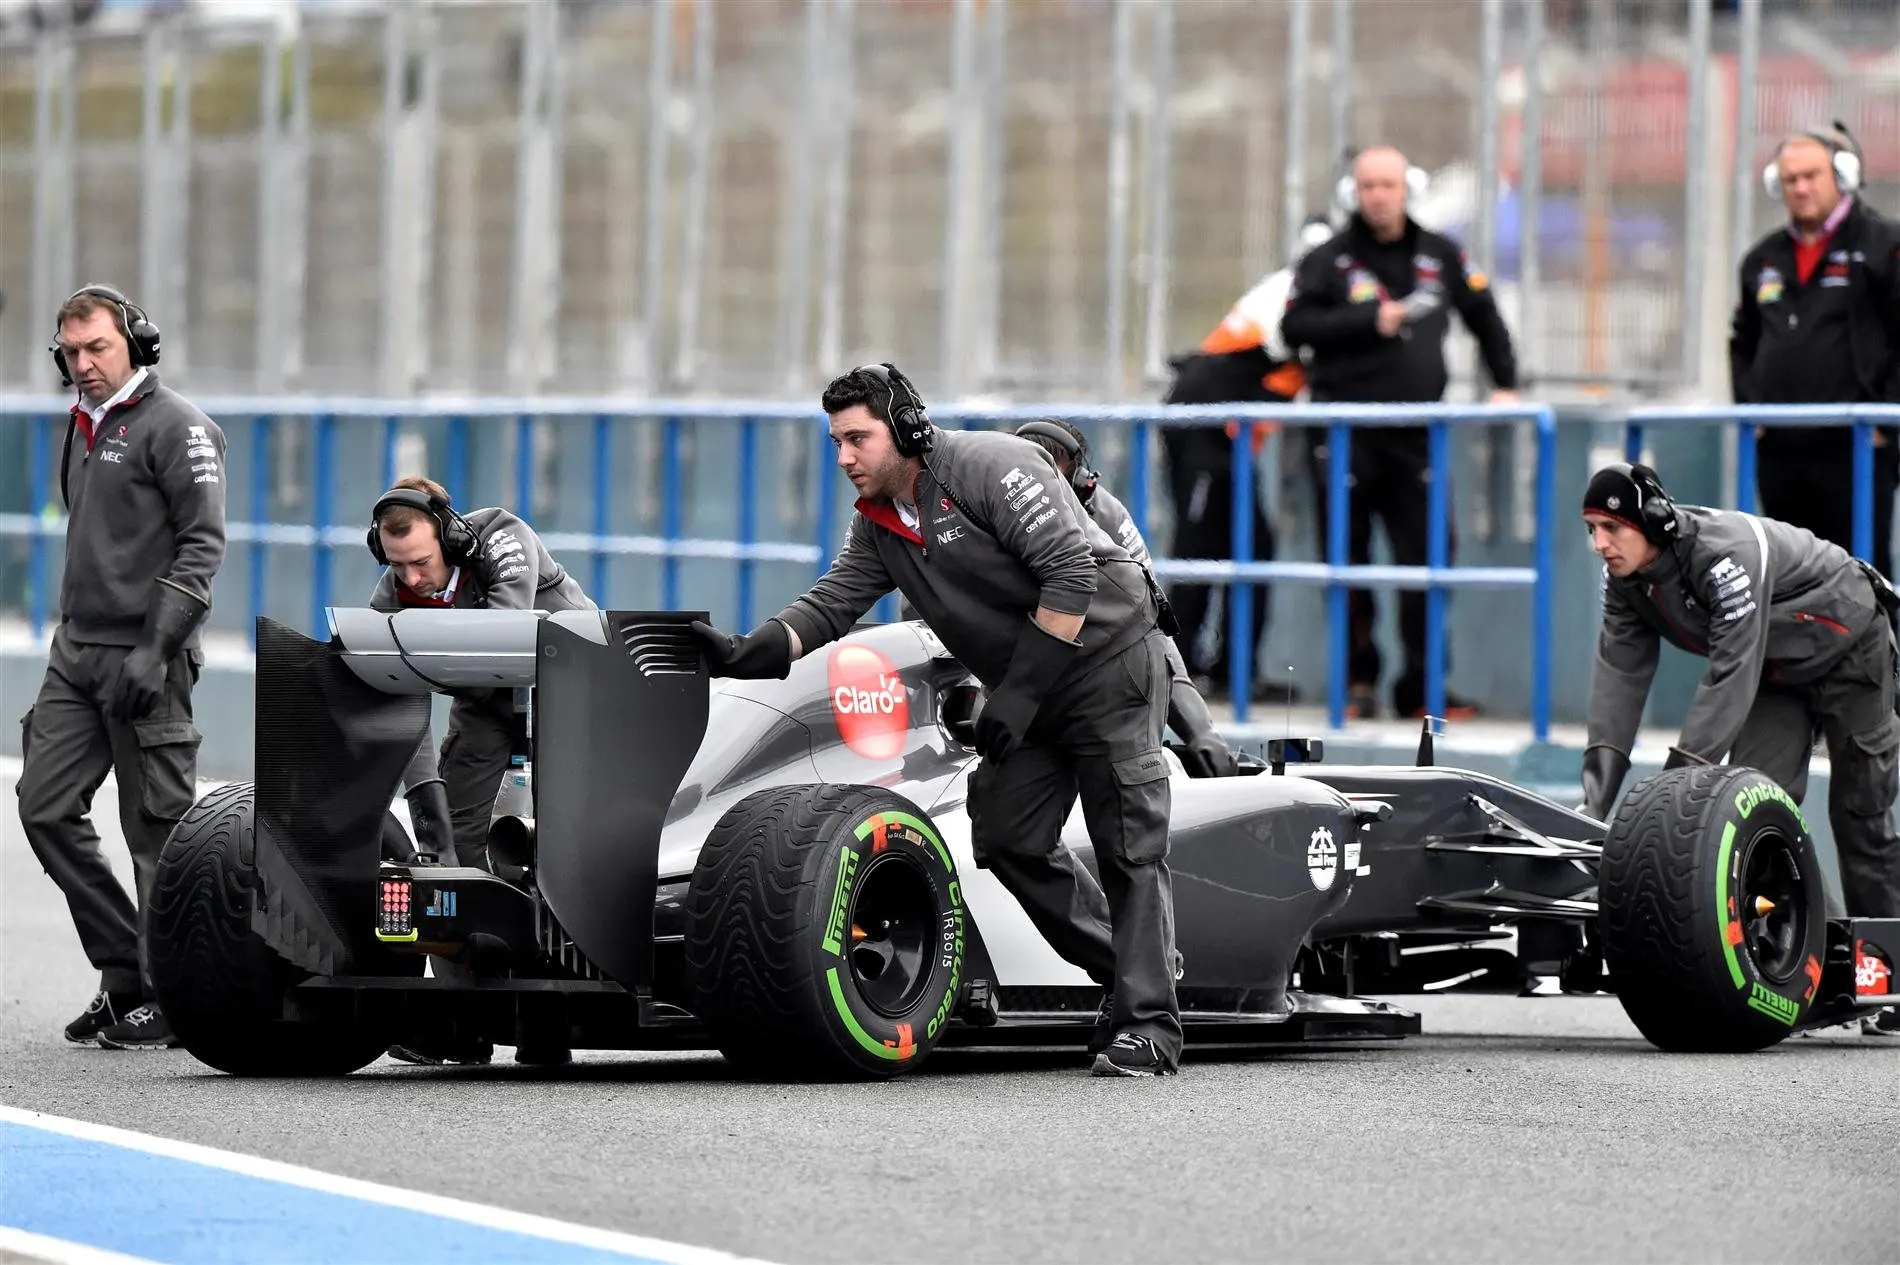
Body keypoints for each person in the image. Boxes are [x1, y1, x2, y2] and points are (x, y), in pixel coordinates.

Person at [691, 363, 1184, 1077]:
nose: (844, 458)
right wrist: (745, 652)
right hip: (1033, 682)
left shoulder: (994, 464)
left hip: (1111, 665)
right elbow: (831, 604)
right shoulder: (882, 523)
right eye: (835, 442)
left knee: (1128, 843)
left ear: (908, 429)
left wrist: (1014, 698)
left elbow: (1071, 576)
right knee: (1008, 836)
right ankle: (1138, 968)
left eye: (857, 438)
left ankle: (1149, 1024)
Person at [1578, 461, 1900, 1037]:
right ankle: (1823, 969)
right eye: (1592, 529)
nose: (1600, 544)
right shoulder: (1624, 581)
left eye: (1612, 529)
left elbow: (1730, 672)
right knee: (1755, 818)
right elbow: (1618, 680)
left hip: (1850, 650)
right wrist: (1593, 802)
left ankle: (1892, 972)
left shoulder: (1725, 555)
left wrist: (1671, 796)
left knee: (1862, 817)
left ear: (1652, 522)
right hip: (1777, 675)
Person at [16, 284, 226, 1052]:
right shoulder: (82, 424)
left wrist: (155, 648)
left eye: (96, 348)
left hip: (149, 659)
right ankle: (127, 972)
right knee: (43, 806)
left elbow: (203, 549)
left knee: (156, 833)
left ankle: (172, 993)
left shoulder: (182, 428)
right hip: (76, 654)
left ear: (137, 342)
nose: (83, 364)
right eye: (69, 353)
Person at [1281, 146, 1521, 721]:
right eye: (1368, 186)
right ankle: (1358, 682)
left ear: (1406, 188)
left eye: (1388, 185)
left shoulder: (1440, 253)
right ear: (1354, 193)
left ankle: (1420, 690)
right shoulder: (1328, 260)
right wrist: (1371, 320)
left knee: (1428, 561)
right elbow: (1294, 327)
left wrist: (1505, 383)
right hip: (1344, 435)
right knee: (1348, 563)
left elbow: (1484, 315)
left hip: (1419, 436)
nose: (1379, 196)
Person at [365, 475, 597, 1067]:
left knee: (557, 849)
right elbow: (394, 708)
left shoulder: (502, 539)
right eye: (397, 566)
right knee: (453, 852)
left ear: (450, 538)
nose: (411, 579)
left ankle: (552, 1021)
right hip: (486, 706)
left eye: (420, 562)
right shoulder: (391, 593)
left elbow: (504, 637)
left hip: (573, 689)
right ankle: (460, 1023)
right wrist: (428, 807)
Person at [1156, 215, 1336, 706]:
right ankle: (1177, 669)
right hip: (1203, 422)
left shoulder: (1321, 295)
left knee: (1252, 547)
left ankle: (1236, 669)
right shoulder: (1292, 292)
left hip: (1231, 434)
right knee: (1198, 549)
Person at [1013, 418, 1240, 779]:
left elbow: (1151, 630)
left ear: (1082, 488)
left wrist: (1201, 732)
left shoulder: (1107, 517)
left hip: (1087, 679)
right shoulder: (980, 509)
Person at [1728, 123, 1900, 580]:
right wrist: (1752, 409)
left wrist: (1886, 420)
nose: (1801, 188)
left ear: (1840, 175)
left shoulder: (1884, 246)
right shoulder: (1761, 261)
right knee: (1785, 582)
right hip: (1781, 453)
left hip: (1856, 449)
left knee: (1862, 580)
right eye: (1790, 179)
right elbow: (1742, 340)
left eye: (1811, 175)